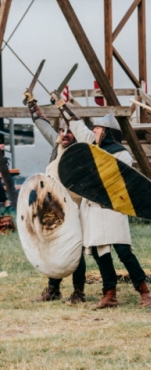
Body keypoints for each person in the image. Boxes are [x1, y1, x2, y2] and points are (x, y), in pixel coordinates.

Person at [64, 111, 151, 309]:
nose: (94, 130)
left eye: (97, 128)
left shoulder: (121, 154)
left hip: (112, 207)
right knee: (100, 252)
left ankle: (145, 291)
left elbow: (118, 181)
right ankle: (109, 294)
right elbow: (78, 125)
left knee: (123, 252)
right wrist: (63, 105)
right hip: (93, 209)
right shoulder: (94, 145)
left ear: (105, 132)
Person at [25, 97, 86, 304]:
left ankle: (79, 291)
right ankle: (53, 289)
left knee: (75, 248)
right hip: (53, 205)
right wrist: (34, 111)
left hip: (75, 208)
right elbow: (45, 128)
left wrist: (65, 108)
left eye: (69, 131)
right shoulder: (56, 145)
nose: (64, 134)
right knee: (52, 245)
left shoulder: (82, 152)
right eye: (62, 131)